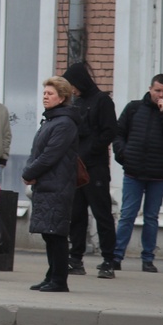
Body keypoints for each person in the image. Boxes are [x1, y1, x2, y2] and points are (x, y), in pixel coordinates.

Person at [111, 73, 163, 273]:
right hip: (134, 171)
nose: (160, 95)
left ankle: (148, 258)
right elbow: (118, 133)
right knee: (127, 214)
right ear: (150, 89)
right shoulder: (134, 108)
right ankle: (116, 256)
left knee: (151, 217)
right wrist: (124, 155)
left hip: (159, 173)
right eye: (157, 90)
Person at [23, 76, 80, 293]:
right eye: (44, 93)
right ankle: (51, 275)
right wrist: (30, 171)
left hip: (58, 185)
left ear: (62, 98)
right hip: (46, 183)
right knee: (49, 232)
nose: (45, 97)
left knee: (56, 233)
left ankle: (59, 280)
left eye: (50, 94)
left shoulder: (64, 123)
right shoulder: (50, 120)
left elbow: (49, 155)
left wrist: (30, 172)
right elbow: (36, 151)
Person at [62, 62, 118, 279]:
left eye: (72, 85)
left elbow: (109, 132)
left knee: (101, 213)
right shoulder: (77, 103)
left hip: (95, 168)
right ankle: (75, 258)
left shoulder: (102, 101)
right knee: (76, 214)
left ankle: (108, 260)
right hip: (77, 168)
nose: (71, 90)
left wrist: (89, 151)